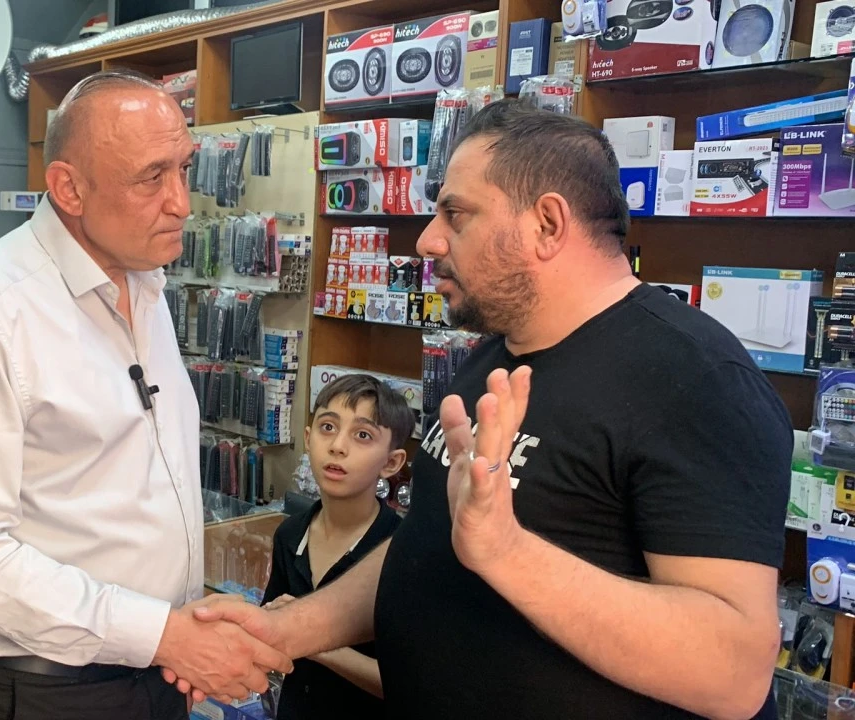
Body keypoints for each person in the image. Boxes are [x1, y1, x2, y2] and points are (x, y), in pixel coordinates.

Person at [173, 99, 791, 720]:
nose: (427, 240)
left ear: (546, 224)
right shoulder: (494, 356)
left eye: (456, 214)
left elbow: (734, 673)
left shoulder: (696, 380)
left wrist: (508, 552)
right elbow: (428, 548)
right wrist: (291, 628)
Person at [0, 69, 290, 720]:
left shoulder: (146, 284)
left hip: (156, 671)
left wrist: (179, 630)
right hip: (44, 692)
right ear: (69, 188)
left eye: (184, 169)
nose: (181, 203)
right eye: (150, 177)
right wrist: (163, 634)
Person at [261, 373, 412, 720]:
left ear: (391, 462)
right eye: (328, 427)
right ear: (308, 438)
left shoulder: (401, 551)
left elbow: (409, 683)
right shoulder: (290, 534)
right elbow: (271, 640)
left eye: (362, 435)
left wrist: (311, 638)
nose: (338, 446)